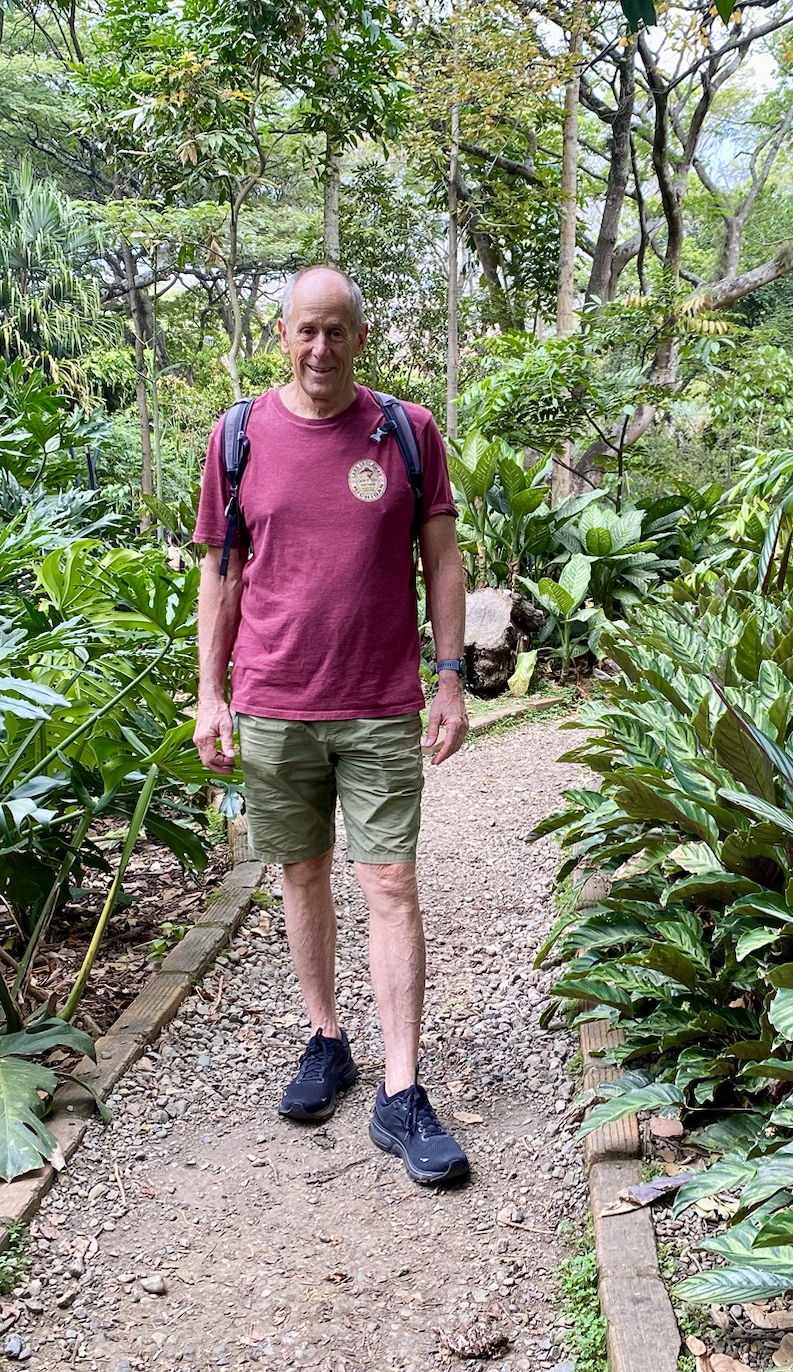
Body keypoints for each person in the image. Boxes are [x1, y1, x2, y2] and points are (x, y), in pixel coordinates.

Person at [191, 265, 474, 1185]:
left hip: (381, 701)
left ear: (360, 337)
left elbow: (442, 558)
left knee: (390, 881)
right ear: (282, 336)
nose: (321, 348)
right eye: (305, 330)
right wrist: (209, 696)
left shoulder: (407, 431)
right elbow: (222, 576)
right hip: (274, 699)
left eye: (336, 331)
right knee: (301, 873)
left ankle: (402, 1089)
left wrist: (451, 680)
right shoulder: (237, 436)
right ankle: (326, 1038)